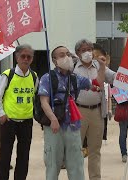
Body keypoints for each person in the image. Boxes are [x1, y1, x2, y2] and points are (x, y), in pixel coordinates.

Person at [39, 45, 106, 180]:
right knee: (53, 165)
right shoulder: (47, 78)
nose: (67, 57)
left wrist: (102, 67)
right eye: (62, 55)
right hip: (54, 128)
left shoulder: (75, 78)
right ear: (54, 60)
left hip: (73, 127)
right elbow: (44, 101)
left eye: (68, 54)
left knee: (76, 165)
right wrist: (53, 119)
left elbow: (97, 83)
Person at [73, 39, 116, 180]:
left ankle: (95, 178)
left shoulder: (99, 65)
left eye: (89, 49)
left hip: (97, 112)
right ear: (77, 53)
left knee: (95, 150)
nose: (87, 52)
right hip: (79, 111)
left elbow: (114, 78)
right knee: (76, 150)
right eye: (83, 50)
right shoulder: (72, 67)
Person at [0, 44, 39, 180]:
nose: (26, 59)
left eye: (29, 57)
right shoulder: (8, 75)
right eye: (23, 56)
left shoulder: (34, 76)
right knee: (5, 156)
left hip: (26, 122)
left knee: (24, 156)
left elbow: (35, 96)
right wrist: (2, 114)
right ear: (16, 57)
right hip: (9, 121)